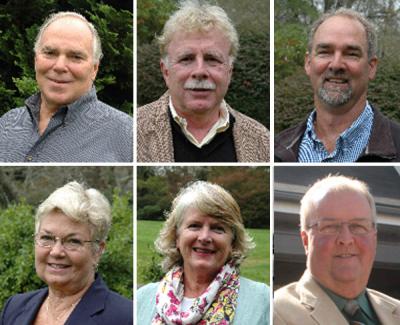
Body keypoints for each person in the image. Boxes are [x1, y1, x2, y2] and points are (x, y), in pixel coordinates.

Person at [137, 0, 270, 162]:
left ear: (229, 71)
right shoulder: (133, 131)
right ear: (165, 71)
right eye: (186, 58)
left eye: (212, 58)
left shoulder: (262, 141)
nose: (199, 71)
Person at [0, 12, 133, 162]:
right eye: (50, 53)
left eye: (76, 57)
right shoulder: (7, 123)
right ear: (36, 60)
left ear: (94, 69)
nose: (59, 66)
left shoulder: (127, 135)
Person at [275, 8, 400, 162]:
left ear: (371, 67)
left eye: (351, 54)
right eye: (325, 52)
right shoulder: (274, 149)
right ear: (308, 63)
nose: (336, 65)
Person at [0, 182, 133, 324]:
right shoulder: (14, 307)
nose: (56, 252)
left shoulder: (125, 317)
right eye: (47, 238)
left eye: (73, 241)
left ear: (98, 251)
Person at [137, 181, 270, 324]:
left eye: (218, 228)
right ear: (176, 237)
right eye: (194, 226)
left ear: (232, 241)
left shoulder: (262, 300)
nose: (205, 237)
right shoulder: (143, 298)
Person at [274, 175, 400, 325]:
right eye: (330, 227)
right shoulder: (276, 313)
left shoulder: (396, 311)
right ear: (306, 241)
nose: (346, 240)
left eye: (358, 226)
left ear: (374, 237)